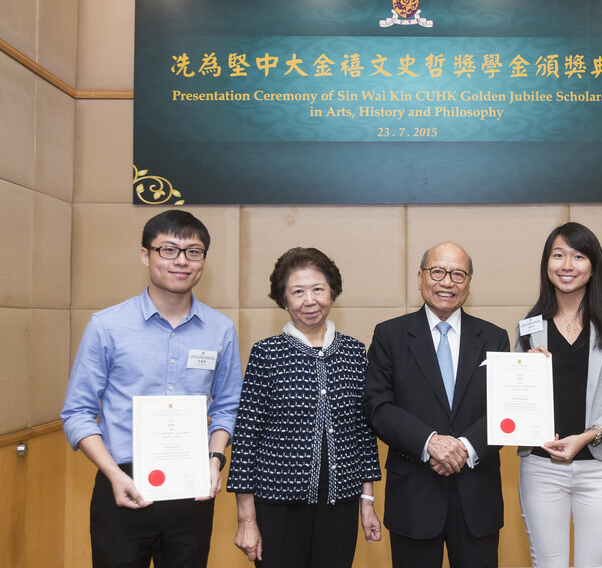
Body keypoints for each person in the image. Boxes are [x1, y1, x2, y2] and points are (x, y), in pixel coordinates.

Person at [60, 209, 243, 567]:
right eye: (169, 250)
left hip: (193, 489)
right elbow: (77, 412)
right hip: (122, 486)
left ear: (203, 259)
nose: (182, 261)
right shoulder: (107, 326)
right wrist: (113, 474)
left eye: (194, 252)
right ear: (146, 255)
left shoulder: (220, 329)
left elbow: (227, 406)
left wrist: (214, 460)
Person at [227, 247, 382, 567]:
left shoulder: (354, 352)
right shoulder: (266, 353)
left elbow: (363, 432)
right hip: (276, 505)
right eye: (297, 291)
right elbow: (245, 437)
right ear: (283, 300)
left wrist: (367, 501)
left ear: (333, 292)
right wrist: (246, 517)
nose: (309, 300)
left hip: (341, 501)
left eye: (318, 289)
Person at [363, 242, 510, 568]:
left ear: (469, 284)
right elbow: (377, 405)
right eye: (437, 272)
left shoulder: (494, 337)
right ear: (420, 278)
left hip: (477, 495)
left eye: (458, 274)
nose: (447, 282)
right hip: (415, 494)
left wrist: (463, 448)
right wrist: (430, 443)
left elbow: (505, 408)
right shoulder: (390, 336)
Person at [515, 222, 602, 568]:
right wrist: (523, 371)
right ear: (546, 263)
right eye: (558, 255)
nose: (567, 265)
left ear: (593, 266)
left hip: (600, 469)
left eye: (578, 256)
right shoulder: (528, 327)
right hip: (541, 468)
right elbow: (514, 401)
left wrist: (585, 438)